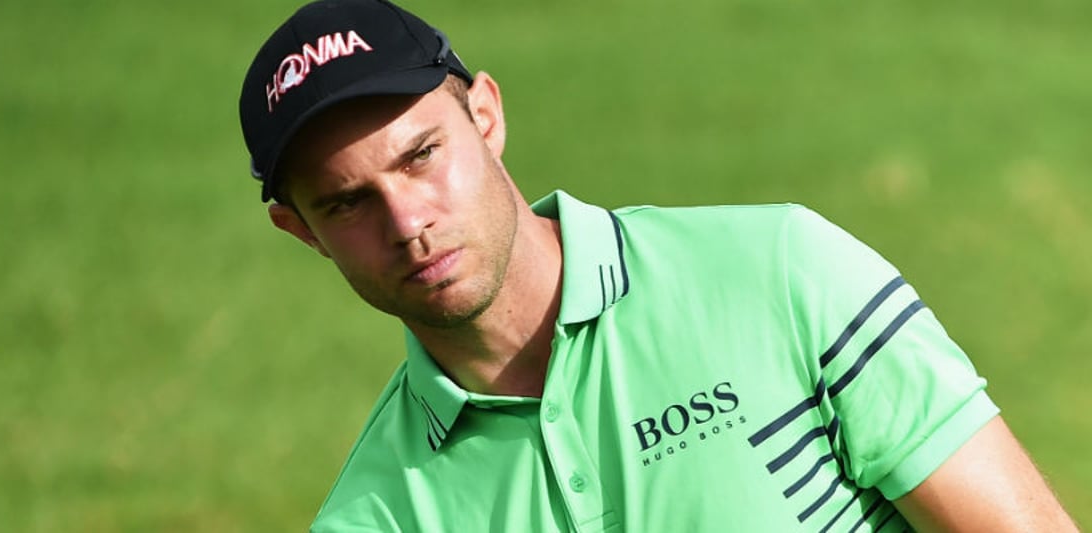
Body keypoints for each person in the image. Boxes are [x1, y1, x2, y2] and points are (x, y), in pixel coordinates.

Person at [238, 1, 1079, 531]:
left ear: (486, 117)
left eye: (422, 154)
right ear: (300, 230)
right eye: (347, 201)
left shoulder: (779, 272)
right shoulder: (376, 514)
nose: (407, 220)